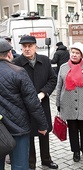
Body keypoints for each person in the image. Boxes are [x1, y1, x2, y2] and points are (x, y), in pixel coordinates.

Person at [0, 38, 48, 170]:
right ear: (9, 53)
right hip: (18, 128)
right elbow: (32, 102)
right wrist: (42, 125)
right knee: (20, 165)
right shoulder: (19, 72)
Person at [13, 35, 58, 169]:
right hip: (24, 107)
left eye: (30, 46)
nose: (27, 49)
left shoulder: (44, 60)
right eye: (24, 46)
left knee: (44, 133)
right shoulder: (16, 63)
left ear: (35, 46)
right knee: (29, 135)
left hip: (42, 104)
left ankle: (46, 159)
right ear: (21, 47)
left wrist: (43, 92)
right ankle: (31, 162)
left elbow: (53, 79)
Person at [56, 42, 83, 162]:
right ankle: (75, 151)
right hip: (67, 104)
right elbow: (59, 86)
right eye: (73, 52)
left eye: (77, 53)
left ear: (81, 55)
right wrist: (58, 103)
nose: (74, 55)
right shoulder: (63, 68)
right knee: (73, 129)